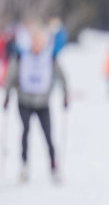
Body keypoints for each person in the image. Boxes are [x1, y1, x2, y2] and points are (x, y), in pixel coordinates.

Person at [4, 23, 69, 182]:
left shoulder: (50, 58)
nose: (37, 45)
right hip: (24, 101)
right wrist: (6, 95)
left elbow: (62, 76)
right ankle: (24, 166)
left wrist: (65, 95)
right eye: (35, 42)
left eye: (40, 42)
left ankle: (54, 167)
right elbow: (11, 76)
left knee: (47, 135)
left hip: (42, 103)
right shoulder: (22, 57)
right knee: (25, 131)